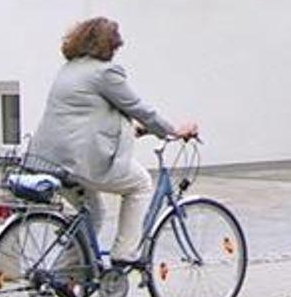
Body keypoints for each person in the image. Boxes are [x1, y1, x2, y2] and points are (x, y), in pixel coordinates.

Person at [27, 16, 198, 267]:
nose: (116, 51)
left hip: (47, 159)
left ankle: (62, 276)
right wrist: (173, 132)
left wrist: (136, 130)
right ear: (106, 45)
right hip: (77, 161)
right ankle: (124, 253)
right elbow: (139, 108)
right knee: (140, 184)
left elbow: (87, 116)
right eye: (115, 46)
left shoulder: (69, 69)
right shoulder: (104, 73)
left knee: (93, 215)